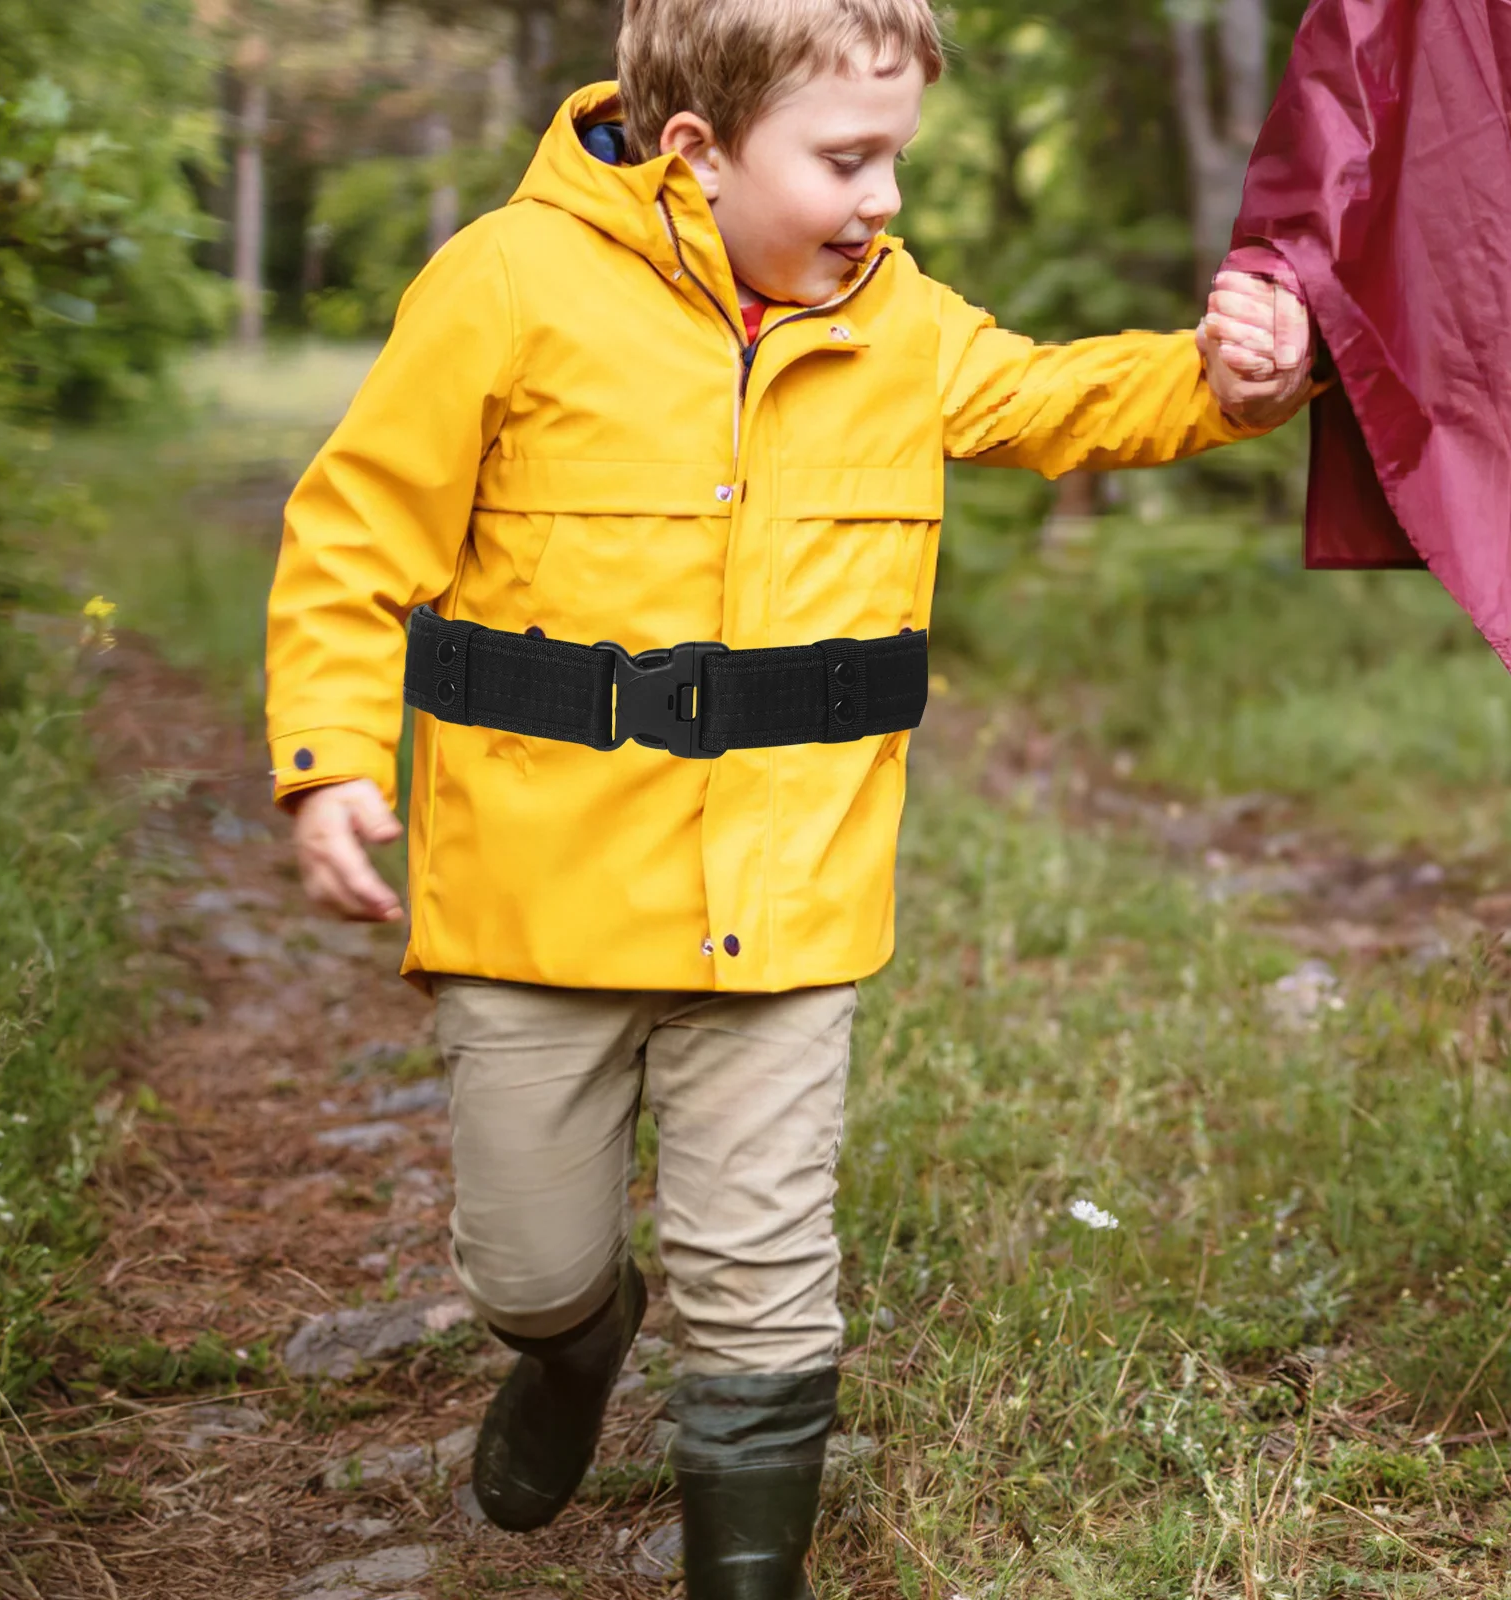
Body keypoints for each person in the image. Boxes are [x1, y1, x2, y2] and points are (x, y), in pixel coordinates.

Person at [264, 1, 1310, 1592]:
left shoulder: (898, 324)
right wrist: (330, 760)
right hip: (533, 899)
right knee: (528, 1267)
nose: (882, 199)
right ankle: (572, 1345)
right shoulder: (507, 284)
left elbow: (1060, 399)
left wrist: (1231, 385)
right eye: (845, 161)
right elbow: (354, 540)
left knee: (761, 1277)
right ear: (697, 151)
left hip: (788, 903)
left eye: (893, 157)